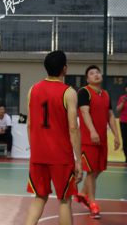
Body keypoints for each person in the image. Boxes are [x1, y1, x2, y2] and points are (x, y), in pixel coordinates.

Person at [25, 51, 82, 225]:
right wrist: (79, 160)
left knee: (39, 198)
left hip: (38, 155)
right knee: (65, 200)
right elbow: (73, 128)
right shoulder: (69, 92)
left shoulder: (33, 89)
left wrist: (34, 151)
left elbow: (29, 124)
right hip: (60, 156)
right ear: (65, 68)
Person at [75, 65, 120, 220]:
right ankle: (92, 203)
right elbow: (84, 112)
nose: (96, 75)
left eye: (97, 72)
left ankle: (83, 193)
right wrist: (92, 131)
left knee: (98, 169)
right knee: (91, 171)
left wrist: (116, 135)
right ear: (87, 79)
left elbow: (110, 115)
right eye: (92, 73)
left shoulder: (106, 94)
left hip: (102, 140)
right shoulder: (84, 92)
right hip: (89, 140)